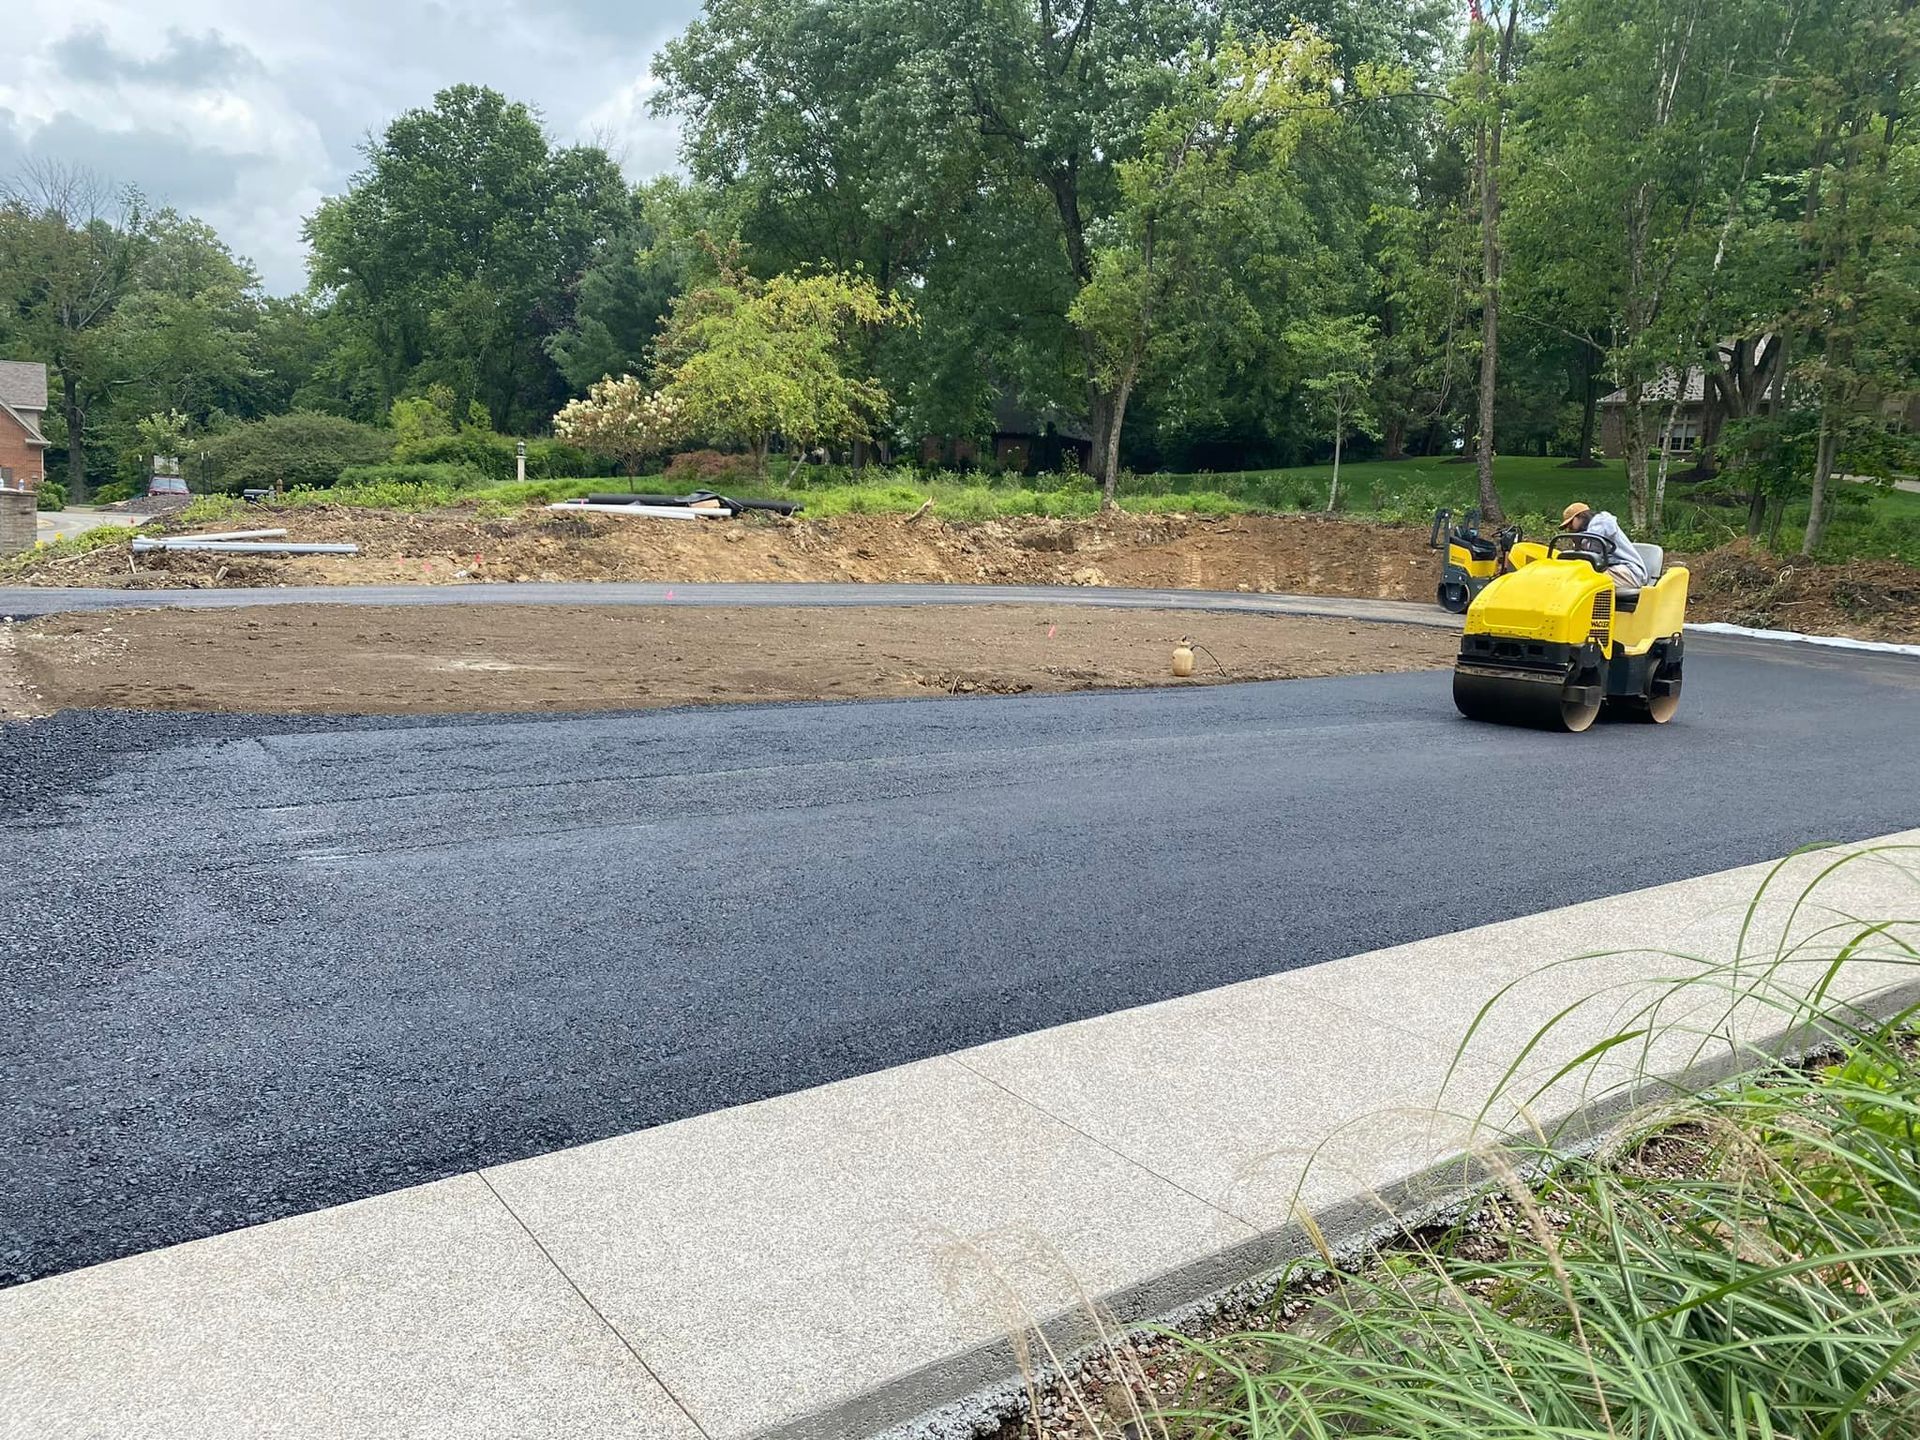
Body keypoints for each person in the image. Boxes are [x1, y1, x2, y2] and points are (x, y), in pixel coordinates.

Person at [1560, 501, 1647, 589]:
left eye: (1570, 523)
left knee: (1586, 580)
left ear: (1581, 516)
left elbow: (1595, 550)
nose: (1569, 528)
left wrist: (1580, 542)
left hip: (1631, 572)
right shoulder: (1586, 534)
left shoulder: (1602, 524)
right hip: (1612, 569)